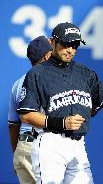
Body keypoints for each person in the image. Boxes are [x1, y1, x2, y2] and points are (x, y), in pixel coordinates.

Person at [17, 22, 103, 184]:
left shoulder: (84, 73)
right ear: (52, 42)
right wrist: (61, 123)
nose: (70, 49)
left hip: (78, 146)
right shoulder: (37, 74)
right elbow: (26, 115)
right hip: (49, 143)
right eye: (66, 44)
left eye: (75, 45)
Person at [8, 36, 52, 184]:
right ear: (47, 56)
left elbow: (13, 126)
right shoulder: (52, 81)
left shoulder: (18, 84)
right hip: (42, 150)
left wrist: (17, 154)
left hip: (23, 148)